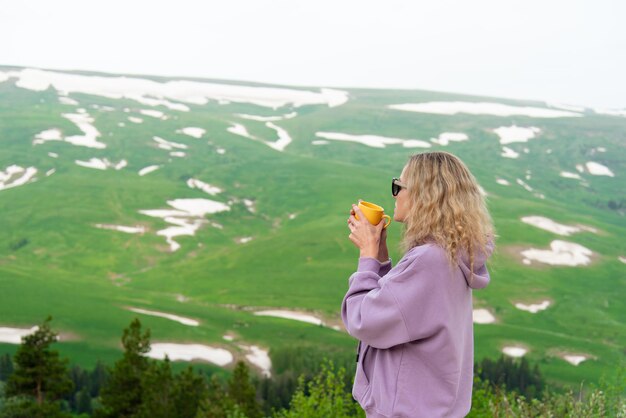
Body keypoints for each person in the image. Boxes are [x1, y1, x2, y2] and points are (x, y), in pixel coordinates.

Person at [342, 151, 494, 417]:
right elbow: (402, 310)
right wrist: (381, 254)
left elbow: (364, 320)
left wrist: (366, 257)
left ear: (425, 195)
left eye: (399, 186)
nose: (395, 194)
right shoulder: (450, 254)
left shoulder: (429, 260)